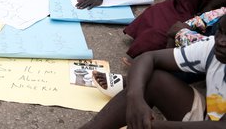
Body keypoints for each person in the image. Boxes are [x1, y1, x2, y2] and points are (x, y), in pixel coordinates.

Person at [80, 15, 226, 128]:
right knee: (153, 80)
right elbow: (148, 58)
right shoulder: (212, 47)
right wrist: (135, 99)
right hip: (210, 117)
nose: (220, 41)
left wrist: (150, 125)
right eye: (220, 31)